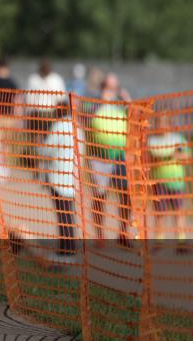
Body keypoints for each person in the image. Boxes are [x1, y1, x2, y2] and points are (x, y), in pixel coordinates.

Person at [88, 73, 133, 247]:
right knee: (100, 196)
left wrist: (127, 101)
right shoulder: (94, 104)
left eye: (115, 87)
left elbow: (136, 119)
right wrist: (102, 101)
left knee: (126, 195)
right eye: (109, 87)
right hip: (100, 157)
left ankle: (123, 232)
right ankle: (100, 234)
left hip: (120, 156)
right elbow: (86, 118)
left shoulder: (121, 106)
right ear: (102, 87)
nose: (112, 90)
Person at [39, 98, 80, 259]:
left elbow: (46, 150)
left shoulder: (60, 126)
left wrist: (40, 143)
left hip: (59, 178)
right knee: (68, 215)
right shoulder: (77, 127)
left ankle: (67, 251)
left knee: (63, 216)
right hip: (72, 178)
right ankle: (67, 248)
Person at [148, 114, 191, 254]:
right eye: (159, 122)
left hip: (176, 182)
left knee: (178, 213)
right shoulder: (152, 141)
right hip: (159, 182)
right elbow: (148, 160)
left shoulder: (178, 139)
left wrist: (171, 155)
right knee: (160, 214)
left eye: (164, 122)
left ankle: (181, 243)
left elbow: (186, 157)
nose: (162, 125)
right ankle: (159, 242)